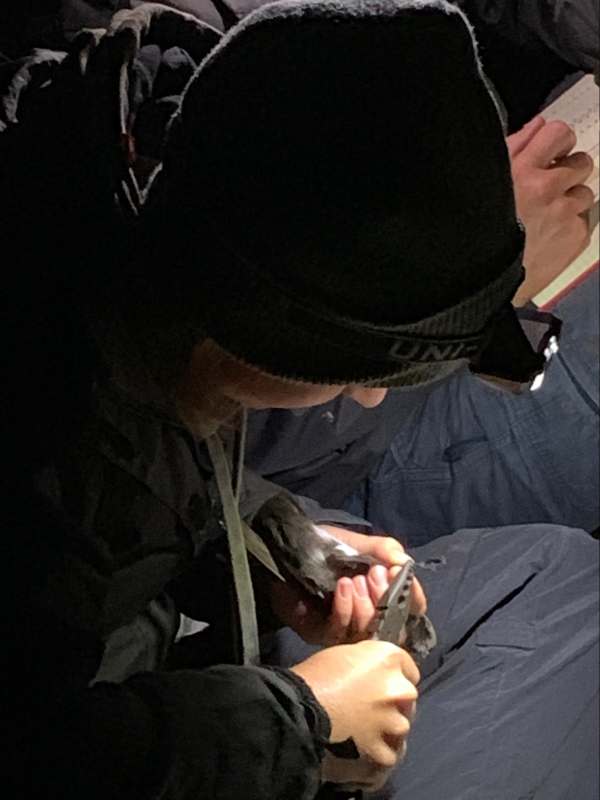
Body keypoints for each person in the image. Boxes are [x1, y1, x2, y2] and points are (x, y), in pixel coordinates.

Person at [2, 3, 597, 800]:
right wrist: (299, 722)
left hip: (179, 660)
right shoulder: (51, 461)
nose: (369, 395)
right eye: (356, 371)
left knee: (559, 571)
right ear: (264, 336)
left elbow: (158, 476)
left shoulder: (138, 239)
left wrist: (275, 539)